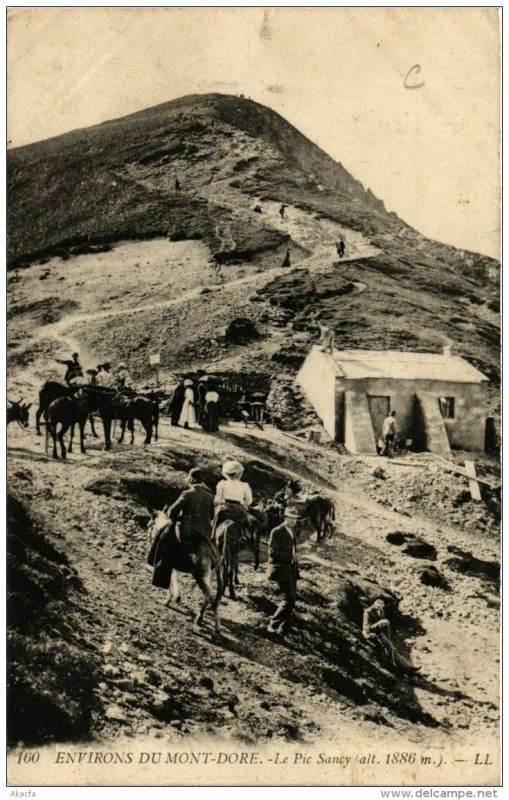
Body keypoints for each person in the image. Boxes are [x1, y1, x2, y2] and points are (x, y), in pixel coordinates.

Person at [266, 507, 300, 636]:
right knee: (289, 599)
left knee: (292, 599)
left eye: (295, 519)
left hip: (291, 569)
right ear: (285, 517)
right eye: (290, 518)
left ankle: (283, 629)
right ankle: (273, 625)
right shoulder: (277, 531)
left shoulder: (292, 531)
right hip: (280, 569)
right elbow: (272, 552)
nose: (293, 521)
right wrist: (291, 556)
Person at [362, 598, 420, 674]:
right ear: (374, 603)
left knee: (393, 649)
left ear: (383, 605)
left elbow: (385, 627)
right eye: (377, 602)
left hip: (379, 633)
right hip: (371, 633)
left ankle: (408, 668)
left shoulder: (381, 611)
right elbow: (367, 628)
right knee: (389, 646)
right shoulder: (368, 611)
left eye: (381, 603)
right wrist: (379, 624)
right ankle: (393, 665)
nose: (379, 605)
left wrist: (387, 637)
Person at [163, 468, 215, 548]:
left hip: (188, 531)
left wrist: (176, 517)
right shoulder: (210, 495)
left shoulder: (188, 493)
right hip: (205, 532)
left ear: (191, 479)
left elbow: (172, 511)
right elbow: (212, 516)